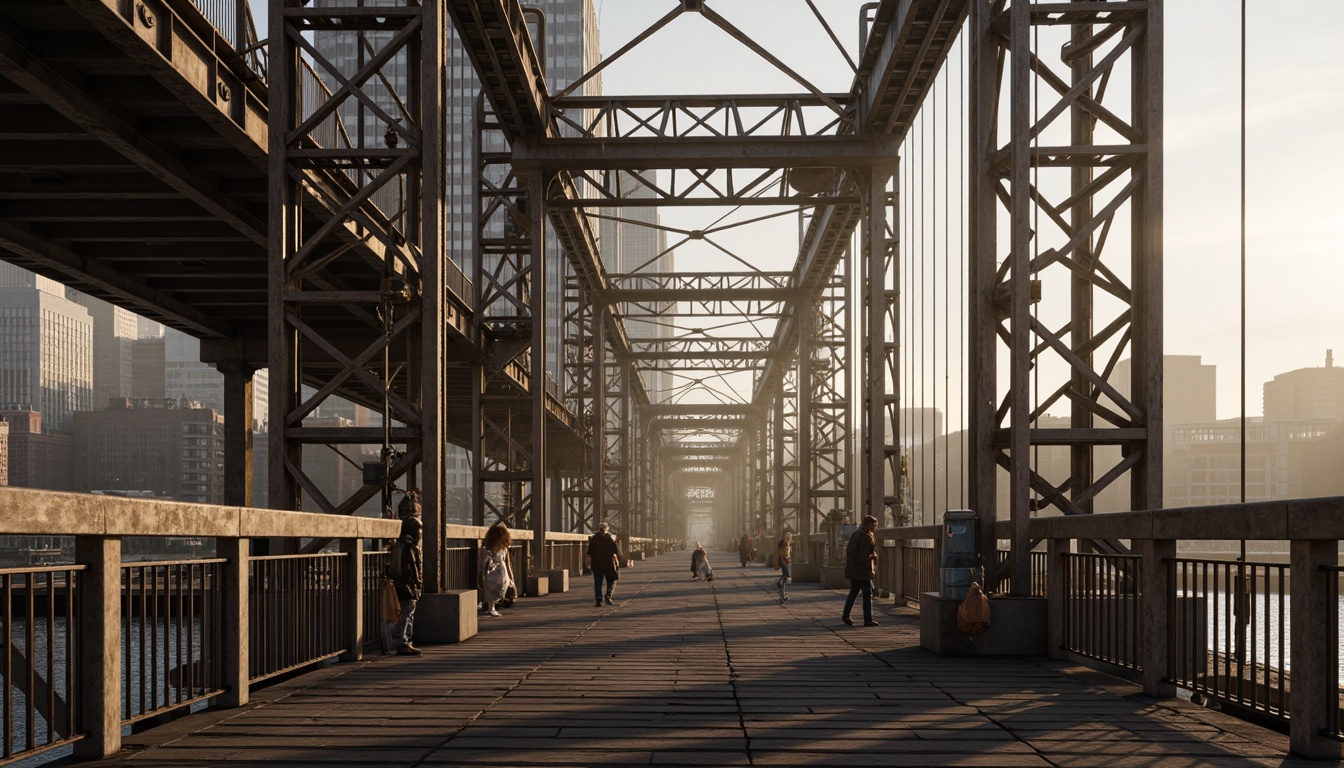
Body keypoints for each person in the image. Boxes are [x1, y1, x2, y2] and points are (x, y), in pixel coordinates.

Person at [389, 489, 423, 655]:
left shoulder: (400, 545)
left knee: (406, 613)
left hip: (402, 584)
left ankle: (404, 640)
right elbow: (411, 570)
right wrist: (415, 586)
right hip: (407, 586)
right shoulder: (410, 548)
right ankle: (403, 641)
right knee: (407, 613)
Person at [842, 515, 880, 627]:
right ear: (867, 524)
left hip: (861, 569)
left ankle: (846, 615)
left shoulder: (865, 534)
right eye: (874, 525)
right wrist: (868, 558)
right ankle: (867, 619)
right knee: (866, 595)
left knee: (854, 593)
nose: (875, 527)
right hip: (862, 569)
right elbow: (852, 552)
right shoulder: (860, 535)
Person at [478, 522, 514, 617]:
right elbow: (508, 563)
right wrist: (511, 579)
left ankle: (490, 606)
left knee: (493, 586)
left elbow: (482, 561)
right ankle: (491, 607)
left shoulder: (487, 547)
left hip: (491, 570)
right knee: (497, 585)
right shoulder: (502, 548)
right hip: (498, 570)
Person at [587, 522, 621, 607]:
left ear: (599, 529)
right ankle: (608, 597)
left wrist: (589, 565)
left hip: (596, 564)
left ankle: (598, 599)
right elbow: (617, 552)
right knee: (612, 581)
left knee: (598, 582)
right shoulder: (610, 539)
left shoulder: (594, 539)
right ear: (607, 529)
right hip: (609, 564)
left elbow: (589, 553)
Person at [774, 531, 792, 601]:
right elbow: (783, 554)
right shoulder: (784, 544)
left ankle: (782, 596)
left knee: (785, 578)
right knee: (785, 575)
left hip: (783, 561)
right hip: (783, 561)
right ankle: (779, 582)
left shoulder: (785, 543)